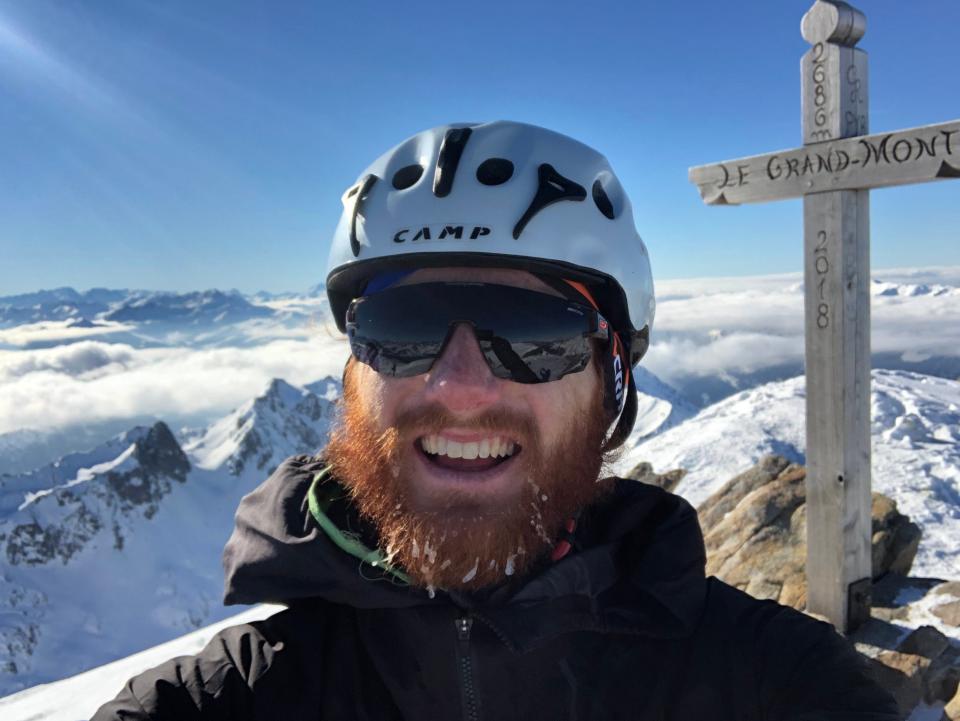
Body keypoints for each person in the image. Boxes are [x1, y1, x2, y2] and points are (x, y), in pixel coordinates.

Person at [93, 121, 897, 720]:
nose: (461, 386)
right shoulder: (243, 693)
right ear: (353, 372)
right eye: (404, 328)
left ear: (609, 380)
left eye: (532, 335)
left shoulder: (768, 679)